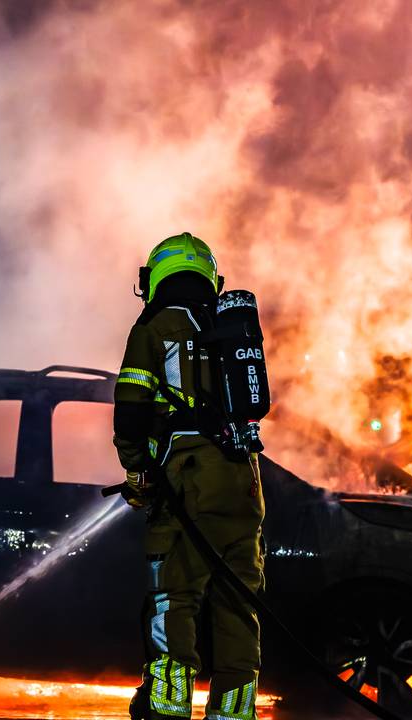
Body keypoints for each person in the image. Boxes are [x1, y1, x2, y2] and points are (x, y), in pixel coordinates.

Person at [114, 232, 266, 720]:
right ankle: (233, 711)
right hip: (244, 482)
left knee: (173, 597)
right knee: (239, 602)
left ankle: (168, 705)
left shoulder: (155, 326)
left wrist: (137, 471)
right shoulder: (231, 329)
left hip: (187, 483)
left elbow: (130, 410)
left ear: (155, 277)